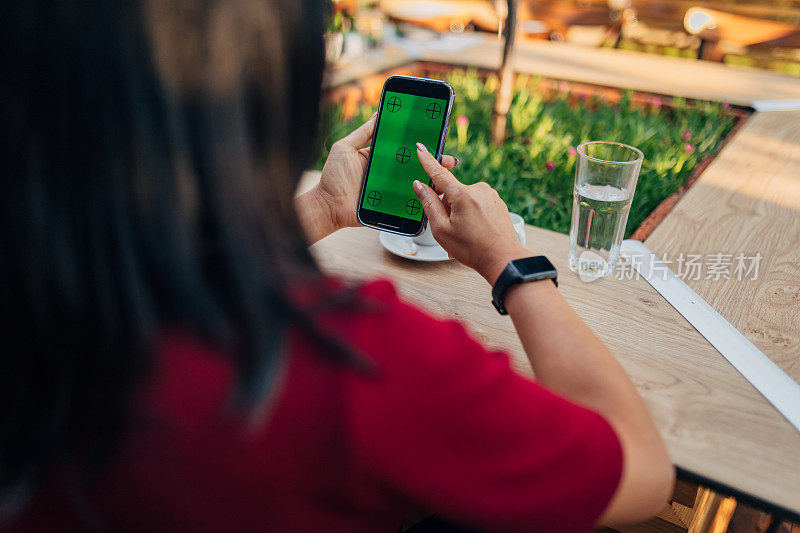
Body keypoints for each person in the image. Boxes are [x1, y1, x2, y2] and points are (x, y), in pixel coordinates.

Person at [0, 0, 674, 531]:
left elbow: (176, 270)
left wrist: (323, 207)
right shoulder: (362, 362)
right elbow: (639, 470)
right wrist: (510, 262)